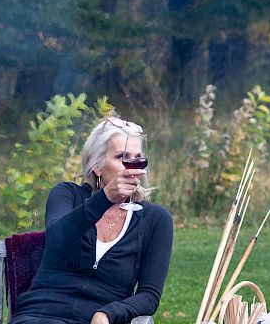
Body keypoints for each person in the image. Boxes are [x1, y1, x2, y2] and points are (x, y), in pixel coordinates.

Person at [11, 117, 172, 324]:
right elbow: (56, 239)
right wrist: (105, 198)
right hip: (41, 315)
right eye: (122, 157)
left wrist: (108, 313)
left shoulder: (155, 220)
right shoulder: (67, 195)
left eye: (138, 157)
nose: (132, 166)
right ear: (97, 166)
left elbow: (149, 295)